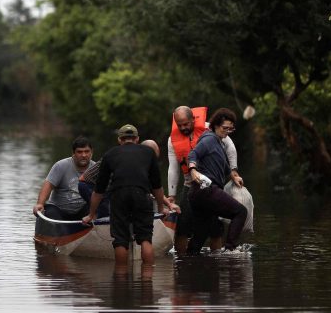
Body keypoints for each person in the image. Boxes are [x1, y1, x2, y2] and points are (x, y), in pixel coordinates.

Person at [83, 125, 179, 265]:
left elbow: (99, 190)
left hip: (119, 196)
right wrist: (160, 207)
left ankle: (121, 277)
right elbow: (157, 186)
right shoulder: (148, 153)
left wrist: (91, 214)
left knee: (120, 240)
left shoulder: (110, 154)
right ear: (137, 139)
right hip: (142, 195)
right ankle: (147, 279)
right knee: (146, 238)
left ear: (119, 140)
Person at [167, 106, 243, 254]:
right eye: (179, 125)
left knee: (214, 229)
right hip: (190, 185)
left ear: (193, 119)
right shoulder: (172, 140)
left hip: (211, 186)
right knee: (183, 226)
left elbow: (230, 148)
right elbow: (173, 168)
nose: (183, 128)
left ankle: (216, 261)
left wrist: (233, 172)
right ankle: (183, 262)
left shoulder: (211, 129)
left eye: (186, 124)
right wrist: (172, 195)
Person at [186, 108, 248, 253]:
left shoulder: (218, 143)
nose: (227, 131)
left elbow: (224, 166)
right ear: (215, 125)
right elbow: (193, 155)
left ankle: (188, 263)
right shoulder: (209, 139)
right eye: (224, 128)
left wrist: (234, 176)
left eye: (230, 129)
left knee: (201, 234)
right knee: (240, 212)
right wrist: (193, 170)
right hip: (206, 190)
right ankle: (230, 251)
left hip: (197, 194)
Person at [32, 136, 93, 221]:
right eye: (79, 152)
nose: (83, 155)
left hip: (83, 211)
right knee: (50, 213)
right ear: (73, 153)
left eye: (87, 151)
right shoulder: (61, 166)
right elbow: (48, 185)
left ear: (91, 152)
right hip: (58, 210)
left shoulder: (95, 168)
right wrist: (40, 204)